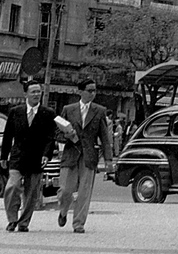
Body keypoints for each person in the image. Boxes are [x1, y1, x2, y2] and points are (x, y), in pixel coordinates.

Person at [57, 77, 114, 234]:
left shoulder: (99, 111)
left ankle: (79, 224)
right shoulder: (68, 110)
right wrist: (66, 136)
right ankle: (63, 210)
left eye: (94, 90)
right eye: (89, 90)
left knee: (84, 191)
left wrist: (108, 159)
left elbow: (104, 137)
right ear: (80, 91)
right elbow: (57, 133)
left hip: (89, 156)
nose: (92, 93)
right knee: (65, 190)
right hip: (70, 154)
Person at [1, 80, 56, 233]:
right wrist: (3, 156)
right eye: (33, 92)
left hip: (36, 158)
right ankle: (12, 220)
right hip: (17, 157)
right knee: (12, 186)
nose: (36, 94)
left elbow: (50, 137)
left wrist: (47, 154)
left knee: (31, 193)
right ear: (25, 94)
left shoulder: (48, 113)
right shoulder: (15, 112)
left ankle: (24, 223)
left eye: (39, 91)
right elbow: (8, 135)